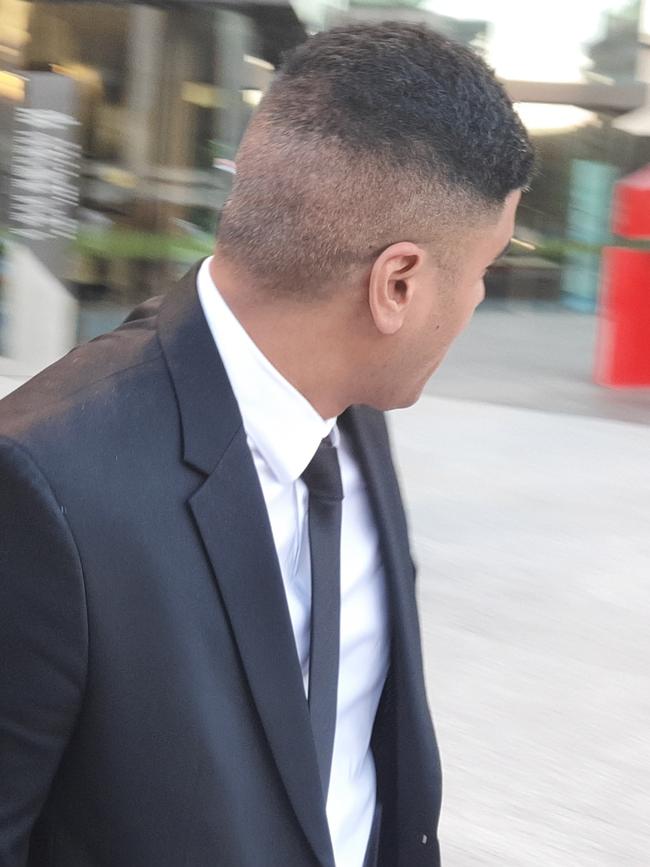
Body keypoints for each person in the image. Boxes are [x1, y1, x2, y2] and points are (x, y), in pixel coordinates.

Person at [0, 22, 533, 867]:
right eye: (484, 269)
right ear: (397, 284)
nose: (474, 299)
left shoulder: (352, 412)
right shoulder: (43, 484)